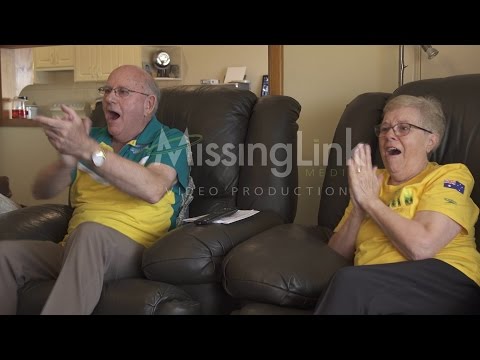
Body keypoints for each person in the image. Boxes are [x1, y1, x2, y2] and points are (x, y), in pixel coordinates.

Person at [0, 65, 191, 315]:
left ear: (148, 104)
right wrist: (67, 159)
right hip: (76, 247)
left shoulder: (170, 140)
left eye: (122, 91)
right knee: (4, 256)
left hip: (135, 249)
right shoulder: (92, 138)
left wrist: (89, 151)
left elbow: (153, 187)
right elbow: (41, 190)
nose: (110, 98)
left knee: (90, 234)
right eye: (107, 90)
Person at [314, 94, 480, 315]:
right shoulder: (371, 183)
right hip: (379, 287)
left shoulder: (449, 175)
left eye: (403, 128)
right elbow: (335, 254)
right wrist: (359, 209)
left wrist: (372, 203)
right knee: (349, 283)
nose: (389, 135)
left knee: (350, 283)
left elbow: (422, 247)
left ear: (431, 140)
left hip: (445, 279)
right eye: (384, 129)